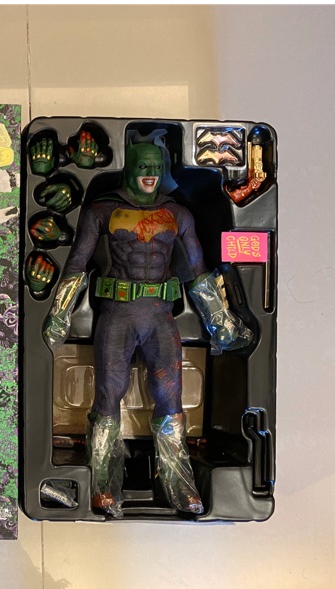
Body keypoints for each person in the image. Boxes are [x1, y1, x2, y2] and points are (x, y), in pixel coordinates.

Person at [37, 131, 252, 518]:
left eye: (155, 166)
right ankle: (104, 486)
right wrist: (60, 314)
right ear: (130, 169)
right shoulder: (102, 210)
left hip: (159, 315)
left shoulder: (178, 214)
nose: (150, 173)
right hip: (117, 314)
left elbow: (198, 271)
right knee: (108, 394)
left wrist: (220, 323)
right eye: (143, 166)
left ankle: (181, 486)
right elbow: (77, 264)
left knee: (171, 396)